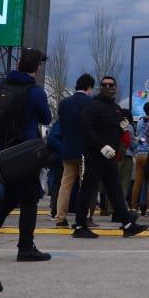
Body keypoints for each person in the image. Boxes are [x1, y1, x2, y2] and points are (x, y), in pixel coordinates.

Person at [0, 49, 54, 261]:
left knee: (10, 197)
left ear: (18, 64)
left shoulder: (0, 86)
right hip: (24, 152)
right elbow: (45, 117)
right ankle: (25, 247)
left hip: (1, 152)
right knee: (30, 198)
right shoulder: (35, 92)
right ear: (37, 68)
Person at [72, 76, 149, 240]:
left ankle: (127, 224)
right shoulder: (93, 106)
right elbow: (86, 128)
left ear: (115, 87)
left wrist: (126, 133)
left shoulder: (115, 107)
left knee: (115, 190)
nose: (108, 87)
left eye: (111, 85)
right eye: (104, 85)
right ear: (100, 87)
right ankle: (79, 225)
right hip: (95, 155)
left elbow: (120, 127)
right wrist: (101, 146)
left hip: (111, 157)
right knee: (88, 189)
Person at [54, 74, 94, 228]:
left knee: (66, 183)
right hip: (85, 150)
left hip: (68, 148)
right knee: (86, 185)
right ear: (89, 86)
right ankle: (83, 217)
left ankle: (60, 217)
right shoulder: (90, 103)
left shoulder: (64, 103)